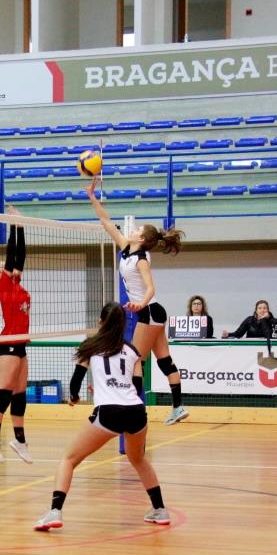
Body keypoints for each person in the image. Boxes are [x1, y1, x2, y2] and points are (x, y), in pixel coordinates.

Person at [34, 302, 169, 531]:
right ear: (124, 325)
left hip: (109, 412)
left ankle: (54, 512)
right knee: (138, 459)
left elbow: (76, 381)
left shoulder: (90, 346)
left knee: (69, 459)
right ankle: (160, 509)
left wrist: (75, 398)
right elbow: (136, 387)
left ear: (100, 322)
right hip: (136, 411)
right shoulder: (133, 351)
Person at [86, 180, 188, 425]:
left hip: (150, 310)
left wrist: (140, 304)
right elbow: (107, 222)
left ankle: (135, 407)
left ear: (141, 239)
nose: (133, 231)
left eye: (137, 230)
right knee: (163, 360)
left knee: (133, 359)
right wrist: (91, 196)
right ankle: (178, 407)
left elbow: (151, 288)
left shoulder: (141, 258)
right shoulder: (125, 248)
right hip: (152, 312)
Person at [0, 207, 33, 463]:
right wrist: (13, 225)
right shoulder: (2, 288)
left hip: (20, 343)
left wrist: (19, 226)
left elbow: (19, 257)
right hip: (8, 343)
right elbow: (13, 255)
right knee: (5, 391)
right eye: (4, 268)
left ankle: (19, 440)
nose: (9, 267)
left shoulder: (17, 285)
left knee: (20, 393)